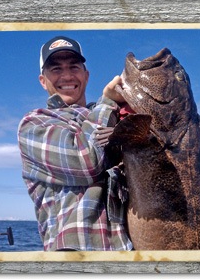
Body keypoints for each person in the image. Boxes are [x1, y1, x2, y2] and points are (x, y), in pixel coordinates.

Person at [18, 35, 132, 251]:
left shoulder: (109, 115)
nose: (67, 75)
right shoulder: (34, 124)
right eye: (56, 69)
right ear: (43, 80)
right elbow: (86, 161)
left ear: (86, 75)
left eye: (74, 67)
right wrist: (108, 102)